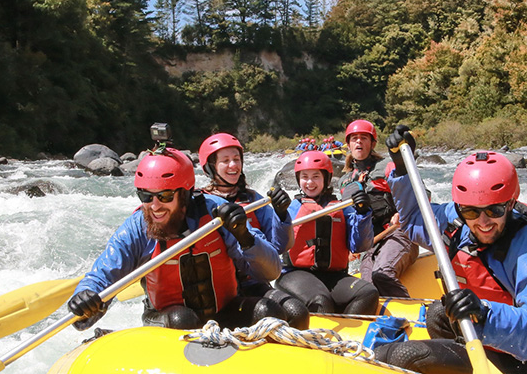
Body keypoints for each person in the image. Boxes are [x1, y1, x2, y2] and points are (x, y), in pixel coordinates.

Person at [377, 129, 527, 374]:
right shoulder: (459, 219)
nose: (483, 222)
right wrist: (404, 170)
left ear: (510, 204)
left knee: (400, 355)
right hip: (490, 343)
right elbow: (416, 220)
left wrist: (486, 314)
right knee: (439, 312)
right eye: (472, 212)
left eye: (495, 211)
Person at [67, 147, 286, 331]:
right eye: (146, 195)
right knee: (183, 319)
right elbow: (103, 274)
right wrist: (85, 297)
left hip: (223, 311)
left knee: (268, 310)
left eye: (165, 196)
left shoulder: (216, 214)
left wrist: (246, 237)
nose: (154, 206)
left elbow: (271, 272)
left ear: (185, 194)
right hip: (167, 319)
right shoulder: (137, 228)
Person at [198, 133, 310, 328]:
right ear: (210, 167)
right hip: (219, 292)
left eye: (236, 159)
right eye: (225, 161)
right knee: (268, 313)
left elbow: (279, 247)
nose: (233, 165)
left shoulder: (253, 200)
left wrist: (282, 216)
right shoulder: (200, 204)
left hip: (253, 282)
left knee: (297, 312)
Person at [276, 150, 380, 315]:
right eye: (304, 177)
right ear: (298, 179)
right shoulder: (291, 208)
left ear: (326, 178)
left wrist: (363, 214)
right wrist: (280, 215)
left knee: (368, 293)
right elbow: (277, 246)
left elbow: (360, 245)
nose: (310, 182)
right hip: (296, 274)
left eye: (316, 176)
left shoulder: (342, 208)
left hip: (334, 276)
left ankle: (347, 337)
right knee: (321, 301)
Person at [336, 119, 417, 298]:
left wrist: (401, 212)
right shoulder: (344, 181)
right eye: (354, 138)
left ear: (372, 143)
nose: (358, 142)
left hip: (399, 233)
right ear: (348, 144)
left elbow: (421, 194)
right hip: (371, 244)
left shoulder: (388, 167)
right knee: (367, 290)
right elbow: (347, 220)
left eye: (364, 138)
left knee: (382, 273)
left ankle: (410, 316)